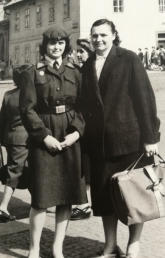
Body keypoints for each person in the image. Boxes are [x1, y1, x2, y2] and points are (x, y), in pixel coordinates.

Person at [81, 19, 160, 258]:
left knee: (134, 196)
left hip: (129, 141)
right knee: (105, 197)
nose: (98, 40)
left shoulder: (129, 59)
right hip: (100, 145)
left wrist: (150, 137)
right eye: (94, 36)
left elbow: (144, 98)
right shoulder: (87, 65)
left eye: (103, 35)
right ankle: (110, 245)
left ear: (114, 35)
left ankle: (133, 245)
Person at [19, 27, 87, 258]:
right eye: (51, 43)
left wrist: (76, 132)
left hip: (69, 133)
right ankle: (34, 249)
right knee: (41, 196)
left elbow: (83, 108)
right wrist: (44, 136)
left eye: (60, 43)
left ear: (66, 46)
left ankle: (57, 247)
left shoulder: (75, 72)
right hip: (44, 135)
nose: (56, 47)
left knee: (67, 195)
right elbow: (27, 110)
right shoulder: (32, 73)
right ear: (45, 46)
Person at [0, 65, 31, 223]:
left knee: (26, 170)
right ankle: (2, 208)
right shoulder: (30, 95)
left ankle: (37, 204)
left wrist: (3, 141)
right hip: (26, 139)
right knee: (15, 173)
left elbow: (1, 122)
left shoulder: (8, 95)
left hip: (11, 139)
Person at [70, 38, 94, 220]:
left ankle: (85, 204)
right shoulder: (81, 70)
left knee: (86, 166)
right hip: (81, 125)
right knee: (83, 166)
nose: (78, 54)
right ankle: (84, 203)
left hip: (89, 127)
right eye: (77, 51)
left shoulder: (91, 71)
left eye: (82, 51)